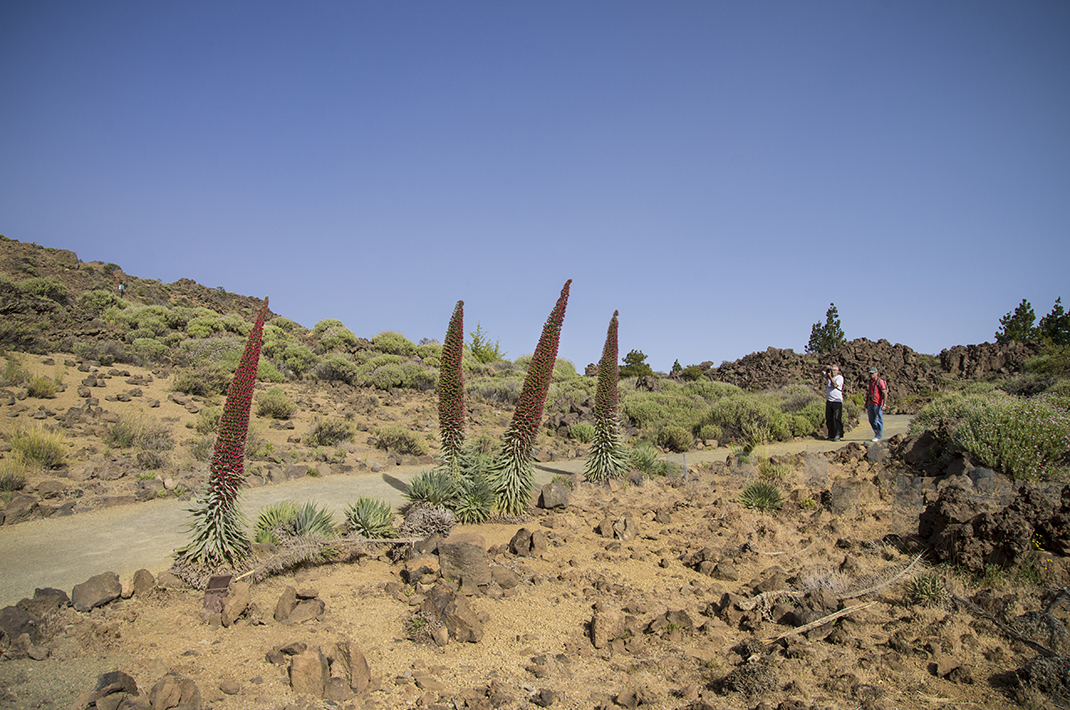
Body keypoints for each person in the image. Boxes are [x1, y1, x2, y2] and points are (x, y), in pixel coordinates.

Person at [866, 367, 888, 442]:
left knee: (878, 419)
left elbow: (885, 393)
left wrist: (884, 404)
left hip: (878, 404)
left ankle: (878, 435)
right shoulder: (870, 382)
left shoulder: (880, 381)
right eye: (870, 373)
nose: (871, 375)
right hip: (871, 403)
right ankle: (876, 433)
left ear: (877, 373)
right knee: (871, 419)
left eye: (872, 373)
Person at [823, 364, 844, 441]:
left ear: (838, 371)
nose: (833, 371)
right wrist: (825, 368)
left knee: (837, 418)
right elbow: (819, 371)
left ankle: (838, 434)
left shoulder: (839, 378)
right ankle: (831, 434)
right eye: (832, 370)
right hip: (829, 401)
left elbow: (835, 385)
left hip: (837, 401)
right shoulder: (828, 376)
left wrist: (830, 377)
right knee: (829, 418)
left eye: (835, 370)